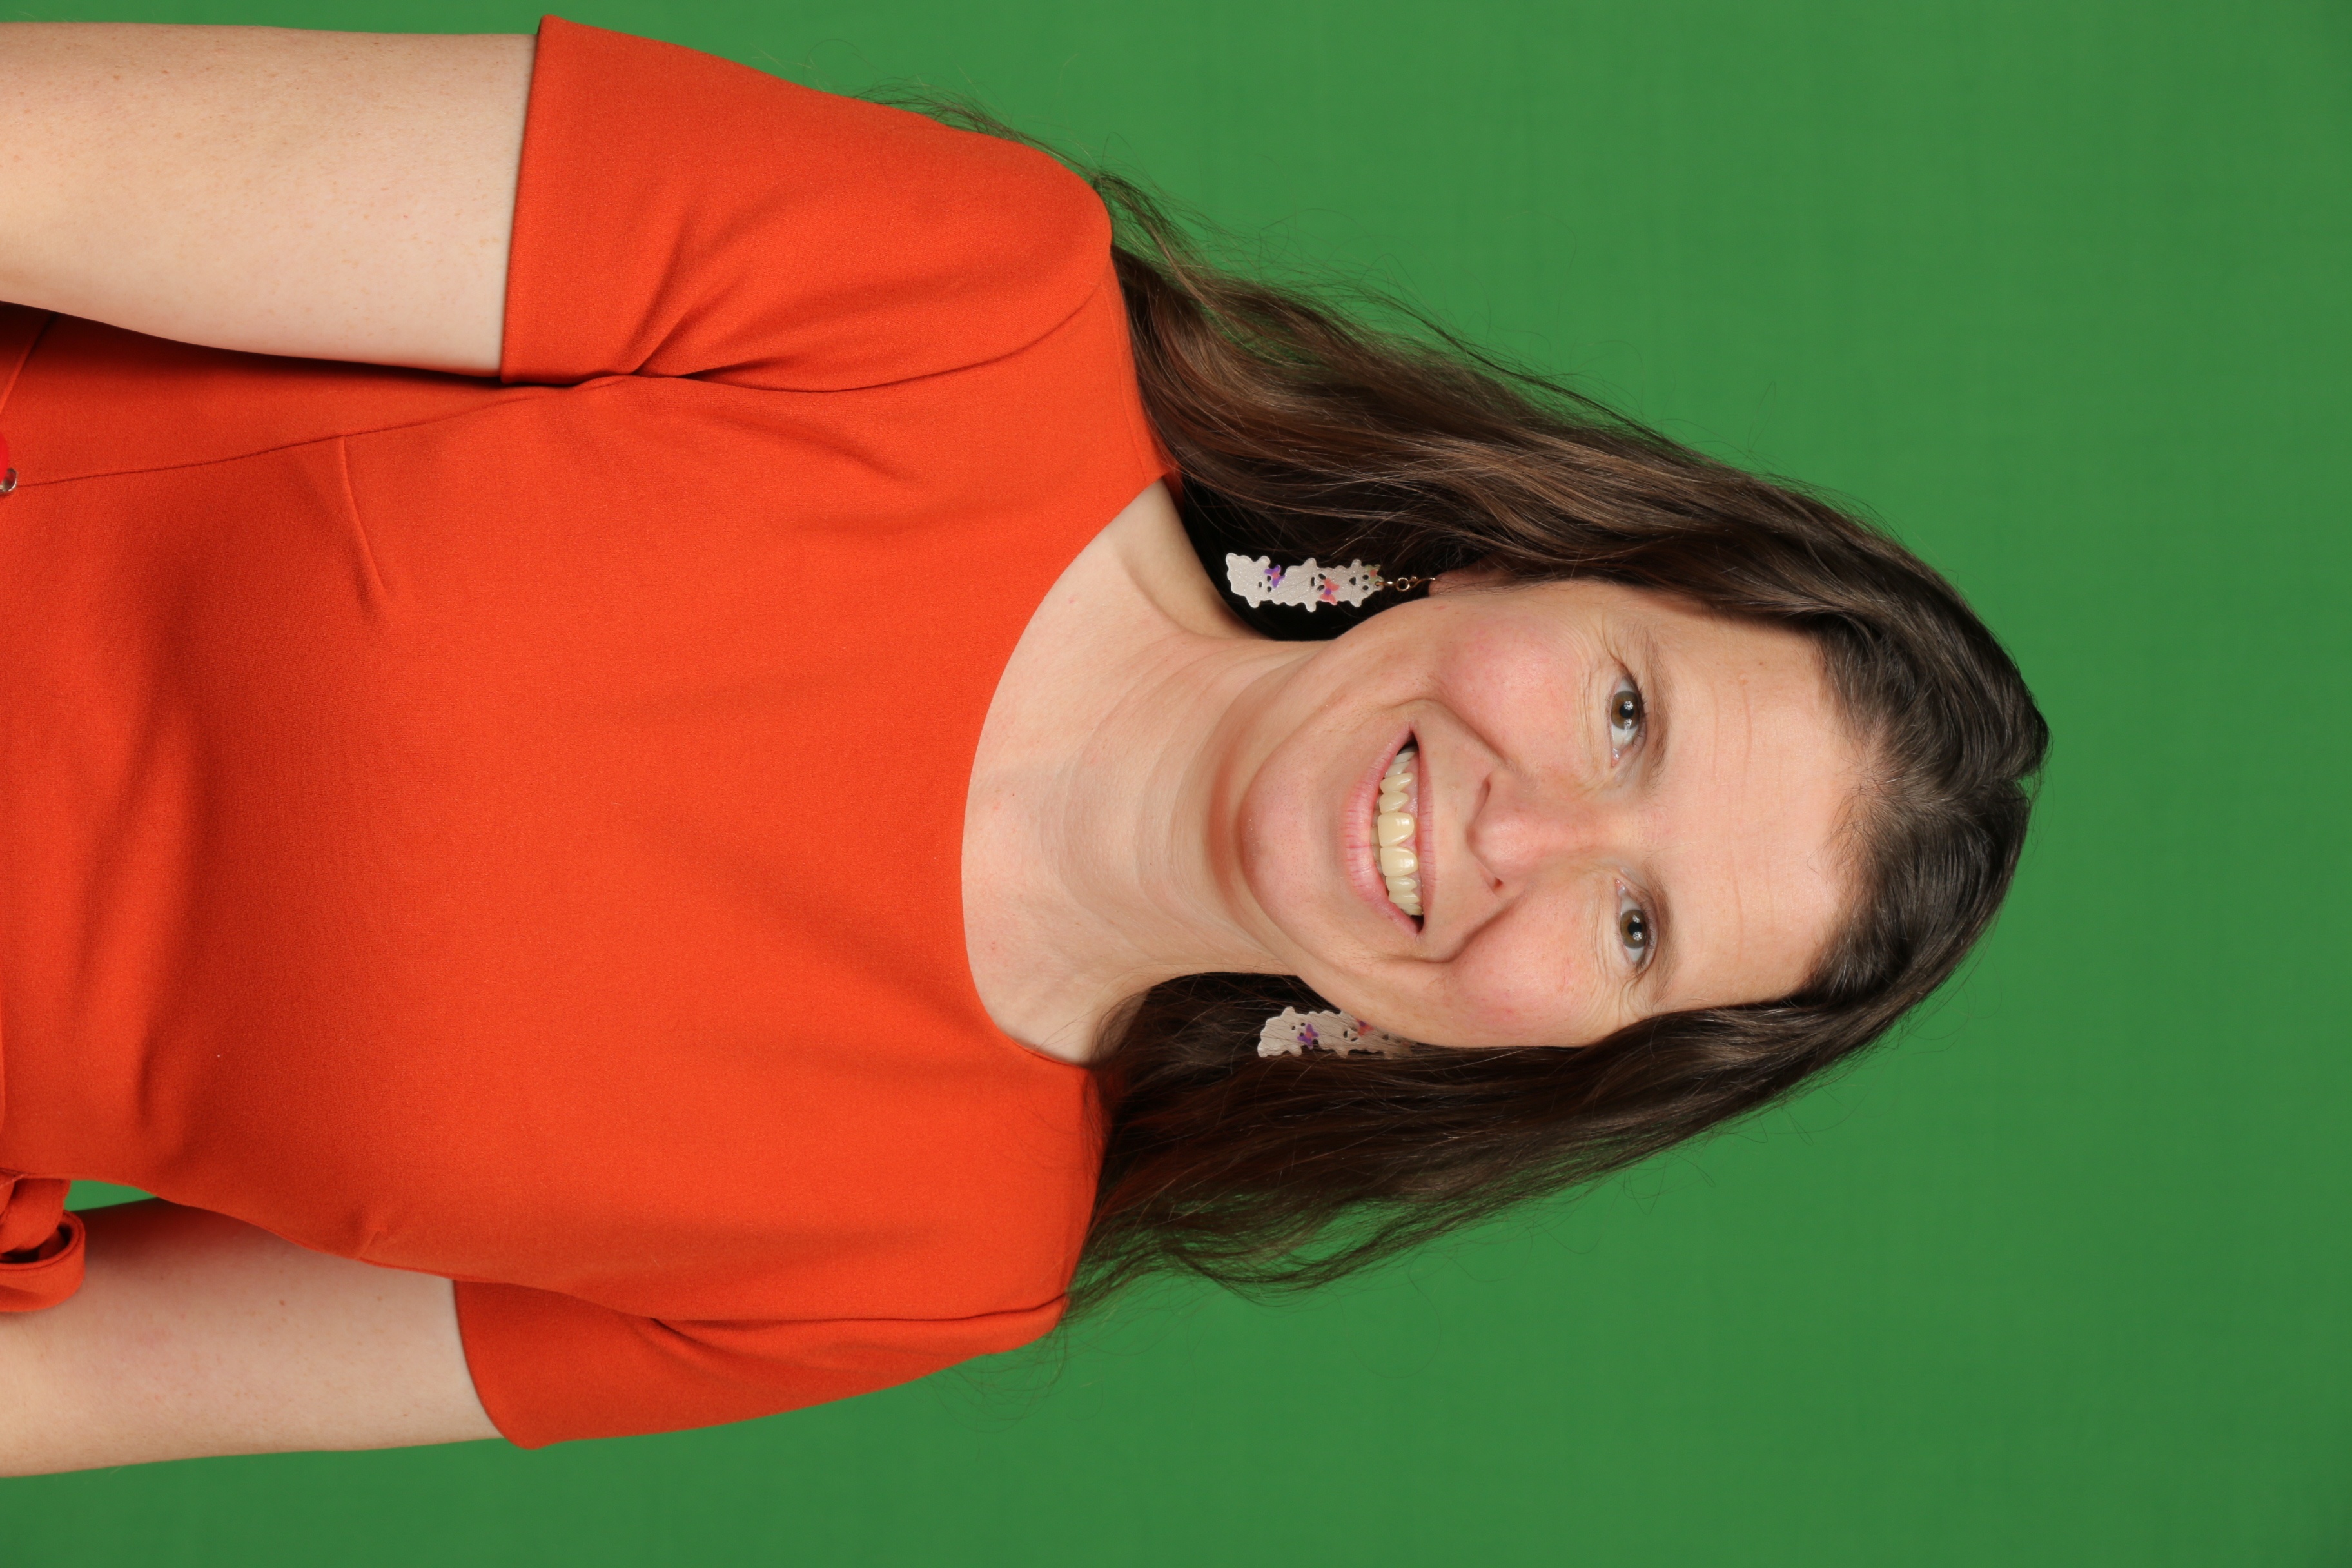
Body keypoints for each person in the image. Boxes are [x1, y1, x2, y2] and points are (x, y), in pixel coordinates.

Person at [0, 17, 2046, 1473]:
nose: (1532, 840)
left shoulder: (934, 1265)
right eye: (1624, 715)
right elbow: (41, 154)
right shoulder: (970, 301)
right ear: (1531, 559)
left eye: (1634, 928)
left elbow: (65, 1394)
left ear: (1548, 1056)